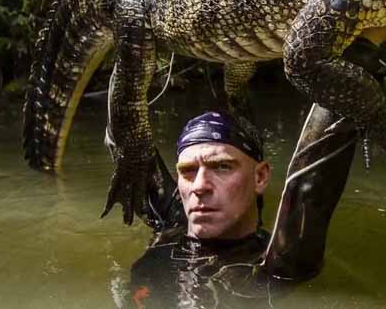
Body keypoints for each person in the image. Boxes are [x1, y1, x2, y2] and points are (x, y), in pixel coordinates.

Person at [129, 105, 359, 309]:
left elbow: (314, 178)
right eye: (188, 170)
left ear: (260, 177)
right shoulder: (172, 222)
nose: (199, 186)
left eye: (221, 166)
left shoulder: (277, 265)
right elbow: (127, 134)